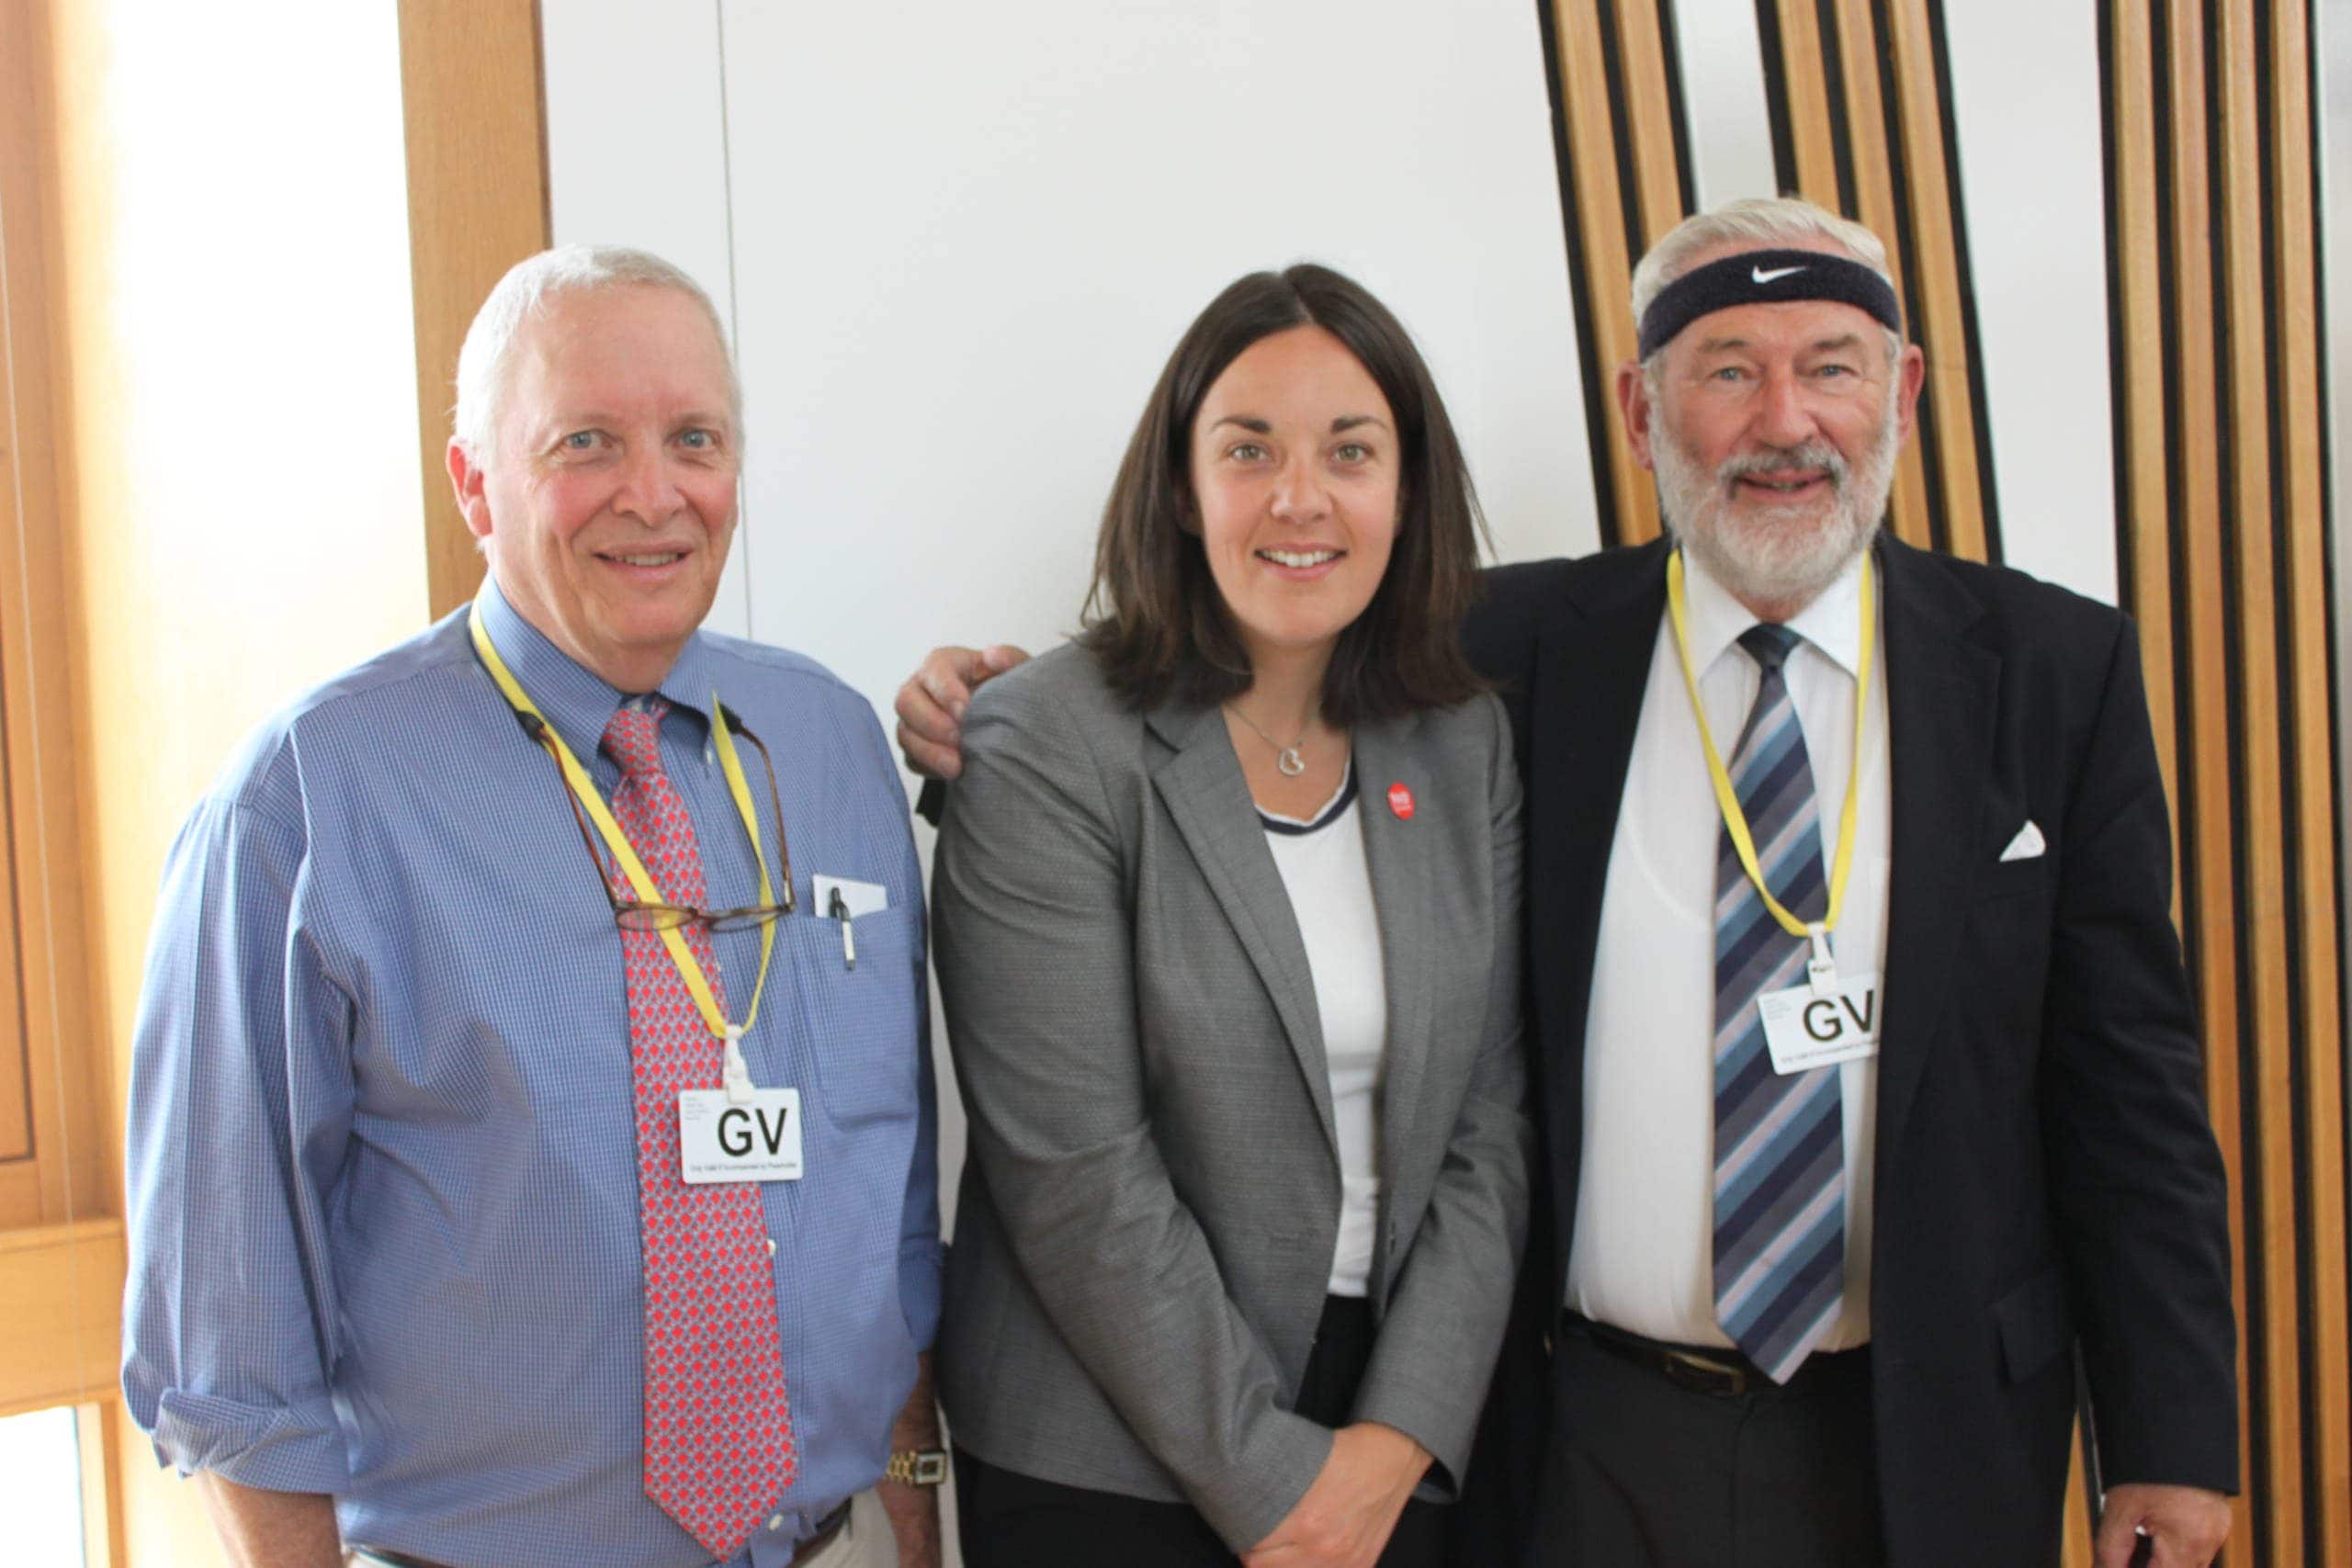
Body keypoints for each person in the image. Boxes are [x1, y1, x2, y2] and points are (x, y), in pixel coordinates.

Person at [895, 197, 2238, 1568]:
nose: (1785, 419)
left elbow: (2128, 1090)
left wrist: (2174, 1438)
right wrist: (979, 711)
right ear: (1643, 414)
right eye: (1726, 369)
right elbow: (1241, 650)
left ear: (1900, 390)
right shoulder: (1500, 654)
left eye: (1830, 363)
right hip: (1580, 1434)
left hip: (1924, 1427)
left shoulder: (2056, 676)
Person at [122, 246, 945, 1568]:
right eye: (586, 443)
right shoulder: (305, 804)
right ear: (474, 484)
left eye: (695, 438)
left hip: (832, 1545)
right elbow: (227, 1341)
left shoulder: (831, 747)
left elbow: (887, 1202)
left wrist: (915, 1506)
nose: (655, 494)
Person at [929, 263, 1532, 1568]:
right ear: (1183, 490)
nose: (1299, 497)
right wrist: (1274, 1483)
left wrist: (1400, 1436)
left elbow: (1490, 1123)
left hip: (1387, 1438)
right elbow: (1074, 1169)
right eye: (1248, 449)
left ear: (1406, 492)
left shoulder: (1460, 741)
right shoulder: (1047, 741)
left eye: (1350, 452)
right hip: (1102, 1451)